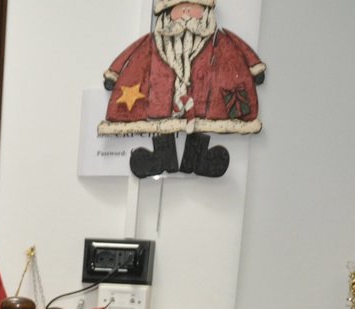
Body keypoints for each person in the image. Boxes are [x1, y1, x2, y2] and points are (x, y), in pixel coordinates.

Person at [98, 0, 266, 177]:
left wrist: (255, 68)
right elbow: (130, 53)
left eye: (192, 9)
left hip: (204, 98)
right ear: (167, 13)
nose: (186, 14)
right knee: (162, 126)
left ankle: (198, 160)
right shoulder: (154, 43)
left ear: (206, 12)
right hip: (162, 99)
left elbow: (240, 49)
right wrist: (113, 74)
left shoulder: (218, 41)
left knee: (200, 124)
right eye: (180, 9)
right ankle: (161, 160)